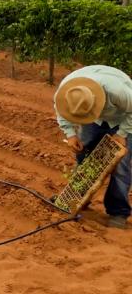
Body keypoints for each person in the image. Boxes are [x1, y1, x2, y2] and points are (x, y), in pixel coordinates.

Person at [54, 65, 132, 229]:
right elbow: (60, 110)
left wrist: (122, 134)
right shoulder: (67, 93)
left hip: (122, 119)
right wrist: (71, 135)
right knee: (84, 154)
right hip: (93, 121)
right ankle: (79, 197)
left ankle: (118, 212)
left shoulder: (117, 91)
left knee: (121, 165)